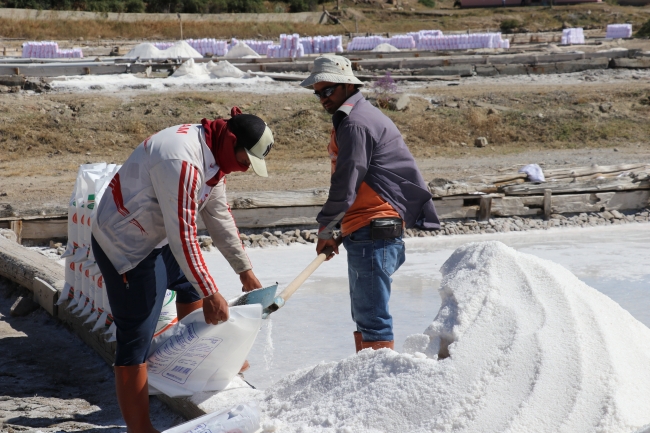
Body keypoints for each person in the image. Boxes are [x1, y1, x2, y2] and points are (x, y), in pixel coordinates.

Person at [91, 107, 274, 433]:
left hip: (156, 237)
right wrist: (211, 291)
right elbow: (184, 235)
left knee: (189, 287)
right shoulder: (183, 162)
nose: (245, 170)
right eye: (246, 161)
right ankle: (139, 427)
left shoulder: (215, 158)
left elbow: (218, 217)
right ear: (232, 140)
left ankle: (198, 365)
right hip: (127, 245)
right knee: (136, 338)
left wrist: (244, 269)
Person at [299, 56, 440, 353]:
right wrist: (339, 228)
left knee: (372, 318)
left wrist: (327, 227)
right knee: (366, 316)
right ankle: (367, 380)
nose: (323, 99)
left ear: (348, 85)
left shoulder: (355, 123)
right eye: (318, 93)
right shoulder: (356, 116)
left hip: (374, 229)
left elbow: (346, 182)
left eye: (329, 91)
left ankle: (376, 387)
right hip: (369, 227)